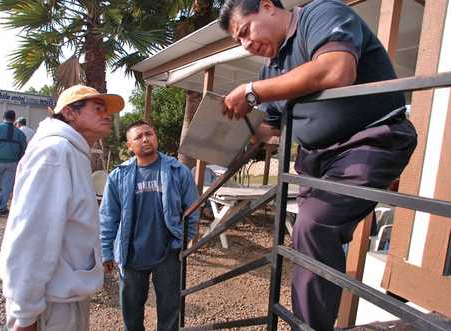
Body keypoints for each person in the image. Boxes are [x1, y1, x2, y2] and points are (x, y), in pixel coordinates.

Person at [219, 0, 417, 330]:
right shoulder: (271, 68)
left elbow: (336, 70)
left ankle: (308, 326)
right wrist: (223, 141)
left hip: (370, 139)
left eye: (245, 31)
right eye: (238, 40)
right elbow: (270, 129)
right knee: (306, 238)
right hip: (316, 158)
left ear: (267, 6)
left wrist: (253, 92)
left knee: (314, 225)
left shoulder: (321, 15)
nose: (246, 44)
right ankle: (309, 319)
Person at [0, 85, 124, 331]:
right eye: (97, 108)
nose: (106, 115)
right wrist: (25, 315)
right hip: (50, 305)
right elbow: (32, 235)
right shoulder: (55, 152)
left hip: (60, 296)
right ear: (69, 113)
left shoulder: (70, 151)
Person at [100, 120, 200, 331]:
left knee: (169, 310)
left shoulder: (177, 171)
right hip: (131, 255)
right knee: (131, 312)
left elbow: (192, 208)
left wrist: (185, 240)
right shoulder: (118, 176)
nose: (145, 139)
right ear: (129, 145)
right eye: (138, 137)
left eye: (149, 134)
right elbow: (109, 216)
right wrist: (106, 251)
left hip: (168, 253)